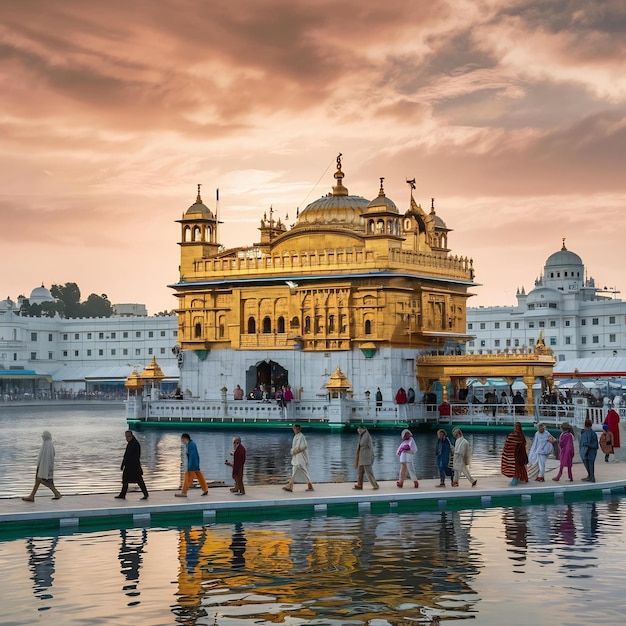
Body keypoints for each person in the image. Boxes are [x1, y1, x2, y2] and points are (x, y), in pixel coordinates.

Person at [22, 431, 62, 501]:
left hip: (44, 467)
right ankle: (32, 496)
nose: (42, 437)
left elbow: (45, 458)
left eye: (43, 436)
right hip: (45, 467)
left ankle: (56, 493)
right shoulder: (48, 444)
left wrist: (41, 468)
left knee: (43, 480)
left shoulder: (47, 444)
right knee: (41, 480)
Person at [116, 430, 149, 500]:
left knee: (139, 480)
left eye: (126, 437)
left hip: (134, 466)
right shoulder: (131, 443)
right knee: (125, 480)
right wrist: (123, 464)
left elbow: (133, 456)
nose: (126, 439)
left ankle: (145, 494)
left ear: (130, 436)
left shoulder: (135, 444)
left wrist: (126, 463)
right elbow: (126, 455)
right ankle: (122, 494)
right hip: (129, 465)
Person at [282, 424, 314, 492]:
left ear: (298, 429)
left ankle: (291, 486)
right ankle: (291, 486)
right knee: (297, 471)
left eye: (295, 429)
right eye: (293, 429)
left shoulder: (301, 437)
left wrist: (295, 451)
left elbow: (303, 446)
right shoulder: (297, 436)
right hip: (297, 457)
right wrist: (293, 451)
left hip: (300, 458)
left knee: (301, 471)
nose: (293, 430)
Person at [501, 422, 529, 486]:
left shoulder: (513, 435)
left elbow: (508, 444)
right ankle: (521, 478)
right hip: (520, 454)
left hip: (514, 455)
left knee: (515, 467)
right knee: (520, 466)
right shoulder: (521, 435)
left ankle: (515, 479)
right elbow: (524, 443)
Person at [353, 426, 379, 490]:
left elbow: (370, 447)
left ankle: (375, 485)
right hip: (362, 457)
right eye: (358, 430)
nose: (359, 431)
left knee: (369, 472)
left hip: (366, 457)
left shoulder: (367, 436)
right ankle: (360, 485)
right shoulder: (362, 435)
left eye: (360, 430)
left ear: (363, 429)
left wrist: (372, 456)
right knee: (361, 471)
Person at [579, 419, 599, 483]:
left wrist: (587, 445)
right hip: (586, 451)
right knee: (588, 464)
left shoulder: (591, 433)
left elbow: (595, 445)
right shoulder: (586, 433)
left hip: (590, 451)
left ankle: (592, 477)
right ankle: (590, 476)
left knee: (590, 464)